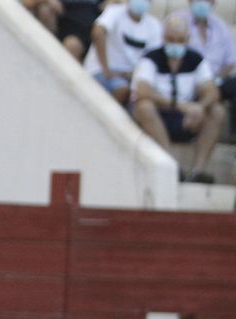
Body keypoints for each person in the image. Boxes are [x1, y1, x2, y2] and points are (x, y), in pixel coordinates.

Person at [131, 15, 225, 183]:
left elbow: (212, 91)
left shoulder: (195, 59)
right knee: (144, 107)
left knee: (217, 111)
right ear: (163, 38)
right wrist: (178, 105)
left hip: (187, 119)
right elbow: (142, 90)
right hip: (159, 117)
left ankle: (197, 171)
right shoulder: (151, 58)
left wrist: (199, 107)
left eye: (180, 40)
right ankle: (170, 166)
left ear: (187, 40)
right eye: (171, 39)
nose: (175, 44)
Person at [86, 0, 163, 103]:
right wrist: (106, 70)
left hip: (132, 77)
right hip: (102, 71)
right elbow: (98, 32)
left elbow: (154, 57)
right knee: (122, 89)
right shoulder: (114, 11)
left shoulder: (154, 25)